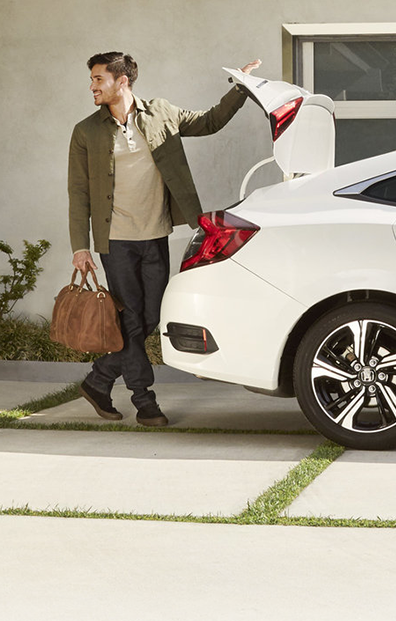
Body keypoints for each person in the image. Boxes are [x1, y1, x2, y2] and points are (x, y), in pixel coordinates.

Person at [68, 51, 261, 426]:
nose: (92, 86)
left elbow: (210, 122)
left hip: (155, 234)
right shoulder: (86, 131)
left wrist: (242, 86)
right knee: (133, 321)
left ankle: (99, 380)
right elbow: (79, 192)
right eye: (91, 79)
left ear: (121, 81)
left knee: (149, 318)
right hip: (116, 241)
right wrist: (80, 246)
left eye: (98, 79)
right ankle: (145, 402)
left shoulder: (161, 113)